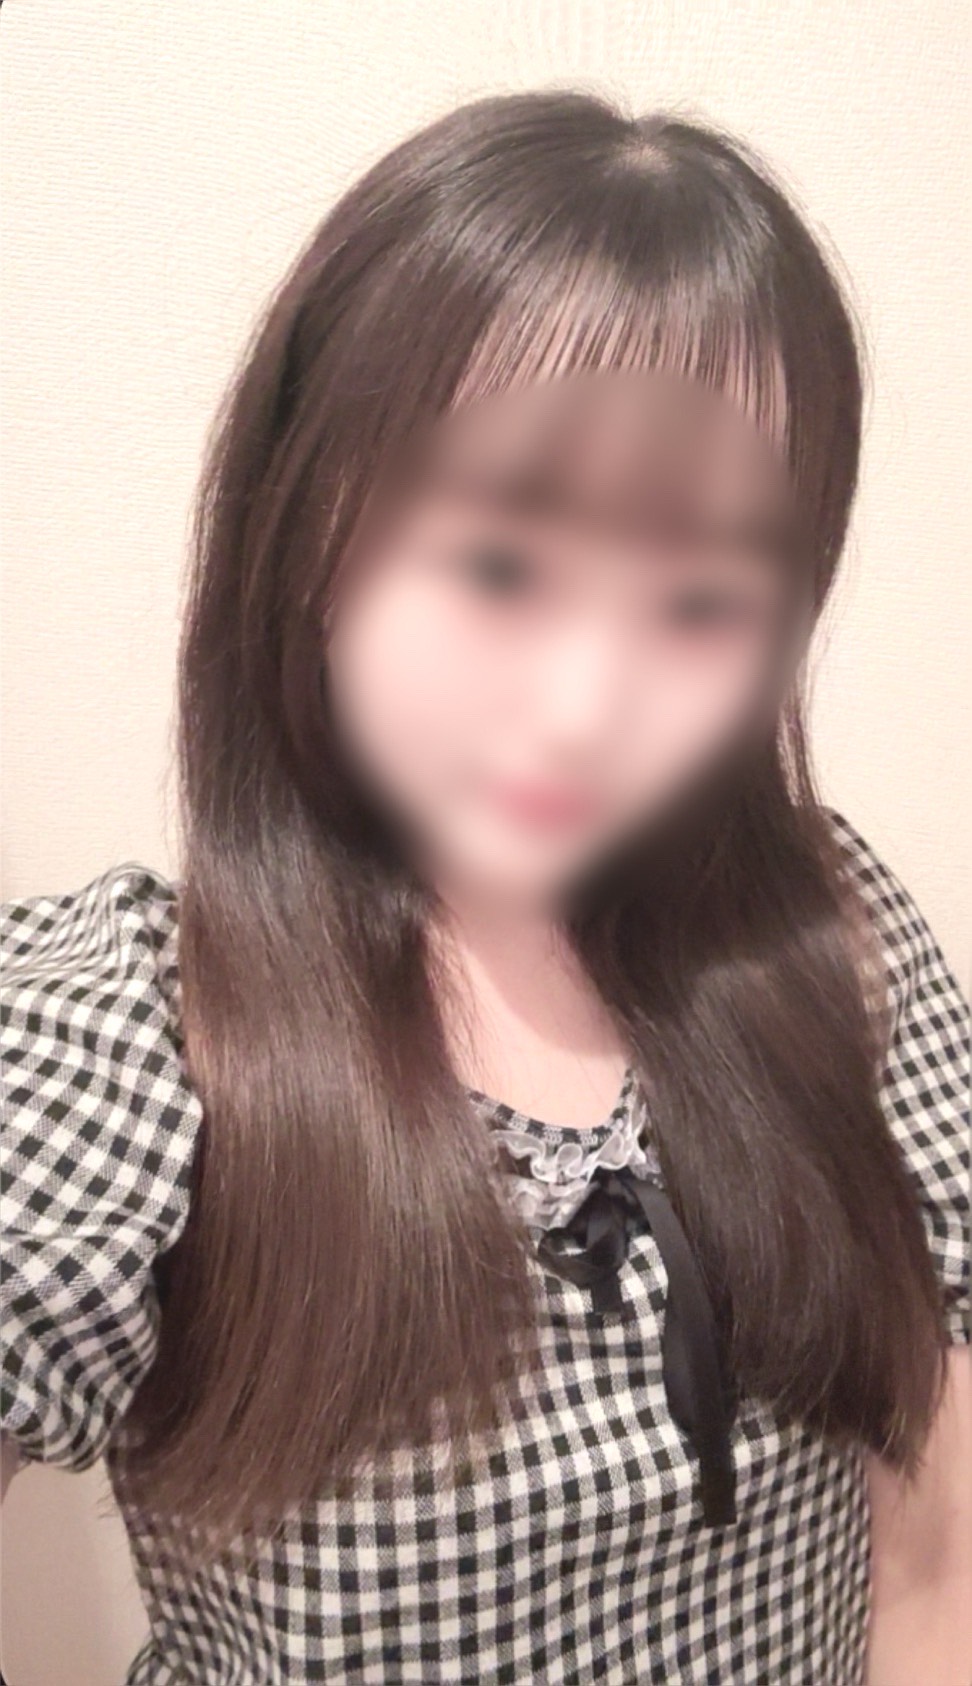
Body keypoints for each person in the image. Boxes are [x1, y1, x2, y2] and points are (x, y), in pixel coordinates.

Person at [1, 87, 969, 1686]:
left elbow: (935, 1557)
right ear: (305, 531)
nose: (588, 706)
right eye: (501, 565)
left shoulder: (831, 940)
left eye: (703, 599)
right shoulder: (140, 1038)